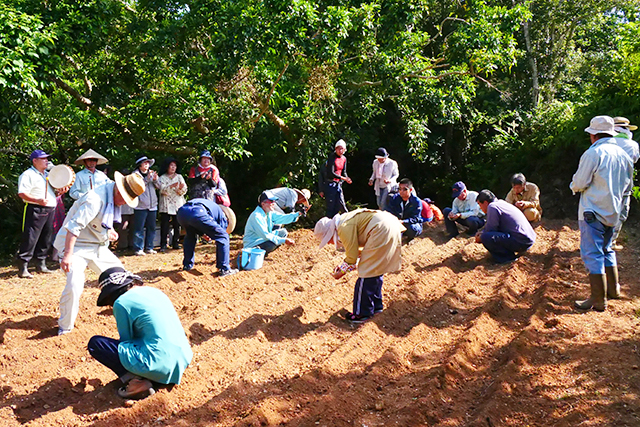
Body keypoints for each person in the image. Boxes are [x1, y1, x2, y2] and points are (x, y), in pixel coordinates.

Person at [54, 171, 145, 334]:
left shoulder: (112, 199)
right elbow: (74, 227)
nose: (124, 203)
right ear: (118, 189)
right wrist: (67, 255)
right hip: (75, 246)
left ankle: (124, 312)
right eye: (125, 198)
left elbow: (98, 224)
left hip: (96, 246)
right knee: (75, 282)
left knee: (123, 278)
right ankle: (65, 327)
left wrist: (107, 234)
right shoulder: (94, 199)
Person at [87, 267, 192, 400]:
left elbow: (127, 341)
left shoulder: (122, 303)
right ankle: (154, 375)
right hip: (183, 358)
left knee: (97, 344)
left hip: (158, 362)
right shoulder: (154, 291)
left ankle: (137, 382)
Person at [570, 115, 633, 312]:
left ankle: (598, 300)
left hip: (593, 210)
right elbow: (627, 186)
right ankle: (613, 290)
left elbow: (580, 183)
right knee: (607, 248)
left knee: (592, 252)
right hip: (614, 209)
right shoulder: (623, 154)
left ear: (593, 135)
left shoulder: (593, 153)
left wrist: (573, 186)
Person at [314, 209, 404, 323]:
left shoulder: (343, 227)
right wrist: (345, 266)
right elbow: (359, 251)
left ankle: (361, 314)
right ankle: (376, 306)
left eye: (327, 240)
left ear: (330, 233)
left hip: (380, 229)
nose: (329, 243)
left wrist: (341, 272)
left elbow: (352, 256)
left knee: (365, 274)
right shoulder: (345, 221)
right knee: (375, 269)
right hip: (389, 226)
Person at [16, 150, 59, 278]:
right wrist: (37, 200)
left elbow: (53, 193)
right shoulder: (28, 174)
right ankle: (23, 266)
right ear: (35, 161)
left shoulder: (47, 175)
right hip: (35, 208)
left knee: (46, 237)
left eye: (47, 158)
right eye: (43, 159)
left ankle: (41, 264)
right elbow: (22, 193)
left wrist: (60, 192)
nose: (46, 161)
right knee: (30, 237)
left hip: (50, 208)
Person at [177, 198, 238, 275]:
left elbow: (195, 221)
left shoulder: (212, 206)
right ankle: (224, 268)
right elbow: (220, 233)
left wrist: (202, 234)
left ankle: (187, 265)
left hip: (182, 213)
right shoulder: (223, 216)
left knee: (190, 236)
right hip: (198, 212)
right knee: (223, 236)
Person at [474, 190, 536, 263]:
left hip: (522, 241)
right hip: (528, 239)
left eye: (479, 204)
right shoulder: (501, 203)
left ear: (485, 202)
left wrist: (481, 236)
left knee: (485, 237)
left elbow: (491, 229)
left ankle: (507, 258)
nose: (480, 208)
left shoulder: (492, 206)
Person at [610, 117, 640, 250]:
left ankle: (600, 243)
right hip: (625, 182)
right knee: (621, 212)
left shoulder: (605, 142)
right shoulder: (633, 145)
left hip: (605, 182)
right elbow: (634, 160)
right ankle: (611, 242)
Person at [132, 156, 161, 256]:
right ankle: (138, 248)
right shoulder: (135, 175)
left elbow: (159, 187)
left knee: (151, 227)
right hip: (140, 205)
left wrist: (156, 180)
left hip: (153, 205)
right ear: (140, 165)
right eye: (144, 163)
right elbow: (137, 188)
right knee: (139, 228)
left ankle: (149, 247)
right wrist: (147, 180)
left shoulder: (152, 173)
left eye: (148, 163)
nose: (147, 165)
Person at [158, 158, 187, 251]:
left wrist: (180, 189)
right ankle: (163, 244)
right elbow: (161, 190)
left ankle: (176, 242)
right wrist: (171, 186)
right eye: (171, 165)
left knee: (177, 224)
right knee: (165, 225)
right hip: (166, 203)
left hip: (177, 204)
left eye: (174, 166)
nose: (173, 168)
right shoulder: (162, 177)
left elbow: (184, 190)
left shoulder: (179, 177)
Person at [385, 178, 423, 244]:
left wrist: (403, 221)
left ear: (410, 190)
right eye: (399, 189)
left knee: (413, 229)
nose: (401, 191)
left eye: (405, 189)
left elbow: (416, 218)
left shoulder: (416, 201)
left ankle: (410, 237)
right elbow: (389, 211)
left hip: (409, 224)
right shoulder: (394, 198)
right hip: (397, 223)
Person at [322, 139, 352, 217]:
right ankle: (328, 224)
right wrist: (343, 178)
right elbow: (331, 173)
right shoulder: (332, 157)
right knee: (331, 205)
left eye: (342, 149)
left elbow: (343, 171)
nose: (340, 151)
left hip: (338, 184)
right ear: (336, 149)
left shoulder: (344, 159)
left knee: (340, 203)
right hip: (330, 184)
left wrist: (347, 178)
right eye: (339, 148)